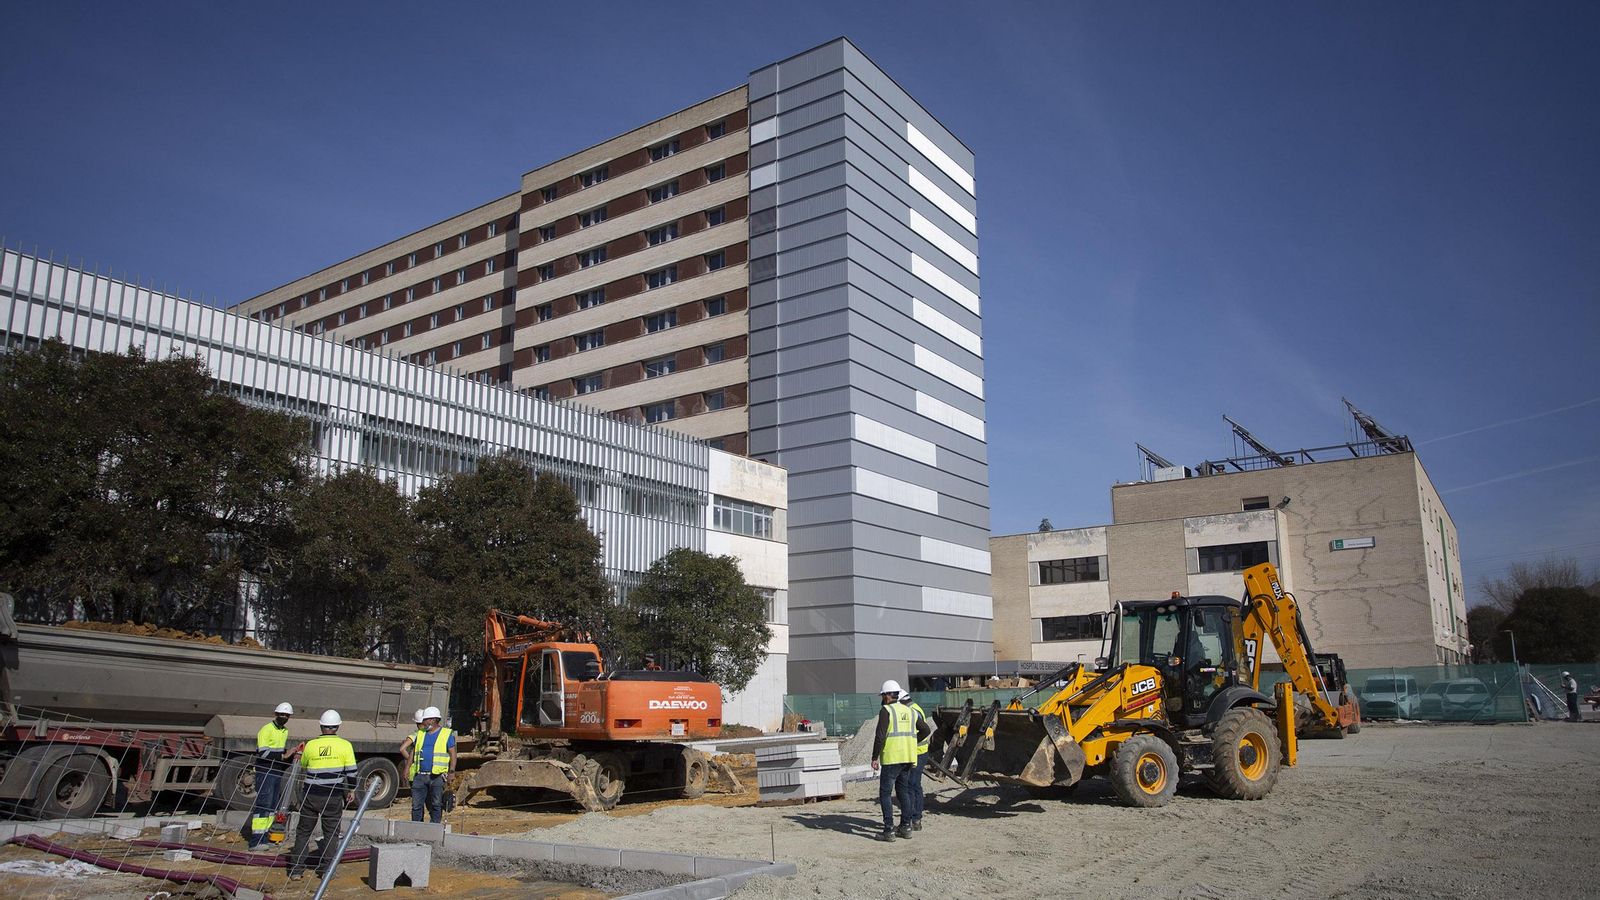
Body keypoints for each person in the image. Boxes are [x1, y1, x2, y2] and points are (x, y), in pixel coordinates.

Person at [286, 710, 357, 881]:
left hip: (311, 794)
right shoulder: (345, 745)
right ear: (337, 727)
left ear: (321, 726)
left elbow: (304, 765)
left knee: (303, 832)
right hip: (332, 796)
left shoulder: (311, 745)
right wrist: (351, 790)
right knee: (331, 833)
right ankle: (327, 870)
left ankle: (296, 870)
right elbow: (352, 772)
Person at [870, 679, 928, 842]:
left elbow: (880, 736)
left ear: (888, 696)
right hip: (908, 758)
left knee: (885, 794)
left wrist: (874, 757)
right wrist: (912, 742)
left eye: (883, 696)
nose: (882, 699)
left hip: (892, 758)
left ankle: (888, 830)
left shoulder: (886, 711)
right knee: (904, 792)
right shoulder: (909, 711)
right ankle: (906, 827)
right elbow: (925, 729)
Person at [244, 702, 294, 849]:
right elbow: (263, 753)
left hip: (276, 770)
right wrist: (284, 756)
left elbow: (279, 750)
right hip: (265, 770)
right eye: (282, 714)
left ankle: (265, 837)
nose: (284, 717)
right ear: (276, 714)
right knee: (264, 804)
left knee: (272, 806)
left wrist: (290, 754)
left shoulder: (284, 731)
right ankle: (256, 841)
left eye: (287, 715)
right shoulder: (266, 730)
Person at [399, 706, 456, 823]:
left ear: (433, 720)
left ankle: (434, 828)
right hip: (420, 776)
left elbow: (453, 754)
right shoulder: (420, 734)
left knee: (436, 804)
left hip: (437, 776)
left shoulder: (446, 734)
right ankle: (417, 828)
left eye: (425, 720)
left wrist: (451, 772)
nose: (423, 722)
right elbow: (413, 752)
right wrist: (407, 768)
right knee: (416, 806)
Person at [899, 690, 932, 831]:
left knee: (913, 784)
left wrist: (911, 743)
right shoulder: (913, 708)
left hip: (918, 752)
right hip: (915, 752)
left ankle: (916, 818)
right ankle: (913, 818)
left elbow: (924, 731)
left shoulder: (912, 711)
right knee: (911, 785)